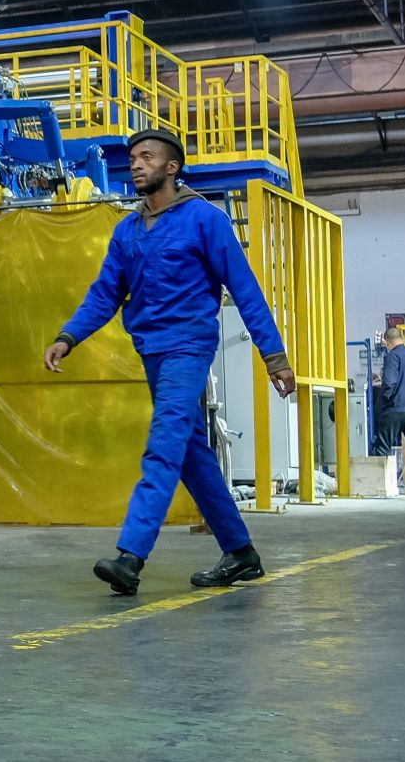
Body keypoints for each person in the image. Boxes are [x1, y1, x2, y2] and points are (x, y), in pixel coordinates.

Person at [43, 129, 296, 597]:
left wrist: (274, 356)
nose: (136, 165)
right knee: (191, 454)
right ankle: (240, 552)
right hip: (153, 351)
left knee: (163, 444)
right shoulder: (128, 230)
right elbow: (105, 294)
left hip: (189, 348)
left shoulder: (206, 220)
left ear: (172, 167)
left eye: (146, 158)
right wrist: (68, 336)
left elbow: (246, 290)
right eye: (133, 158)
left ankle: (130, 556)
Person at [376, 326, 405, 458]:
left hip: (394, 409)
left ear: (387, 343)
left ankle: (382, 479)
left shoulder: (392, 356)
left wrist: (383, 403)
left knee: (383, 448)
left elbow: (389, 382)